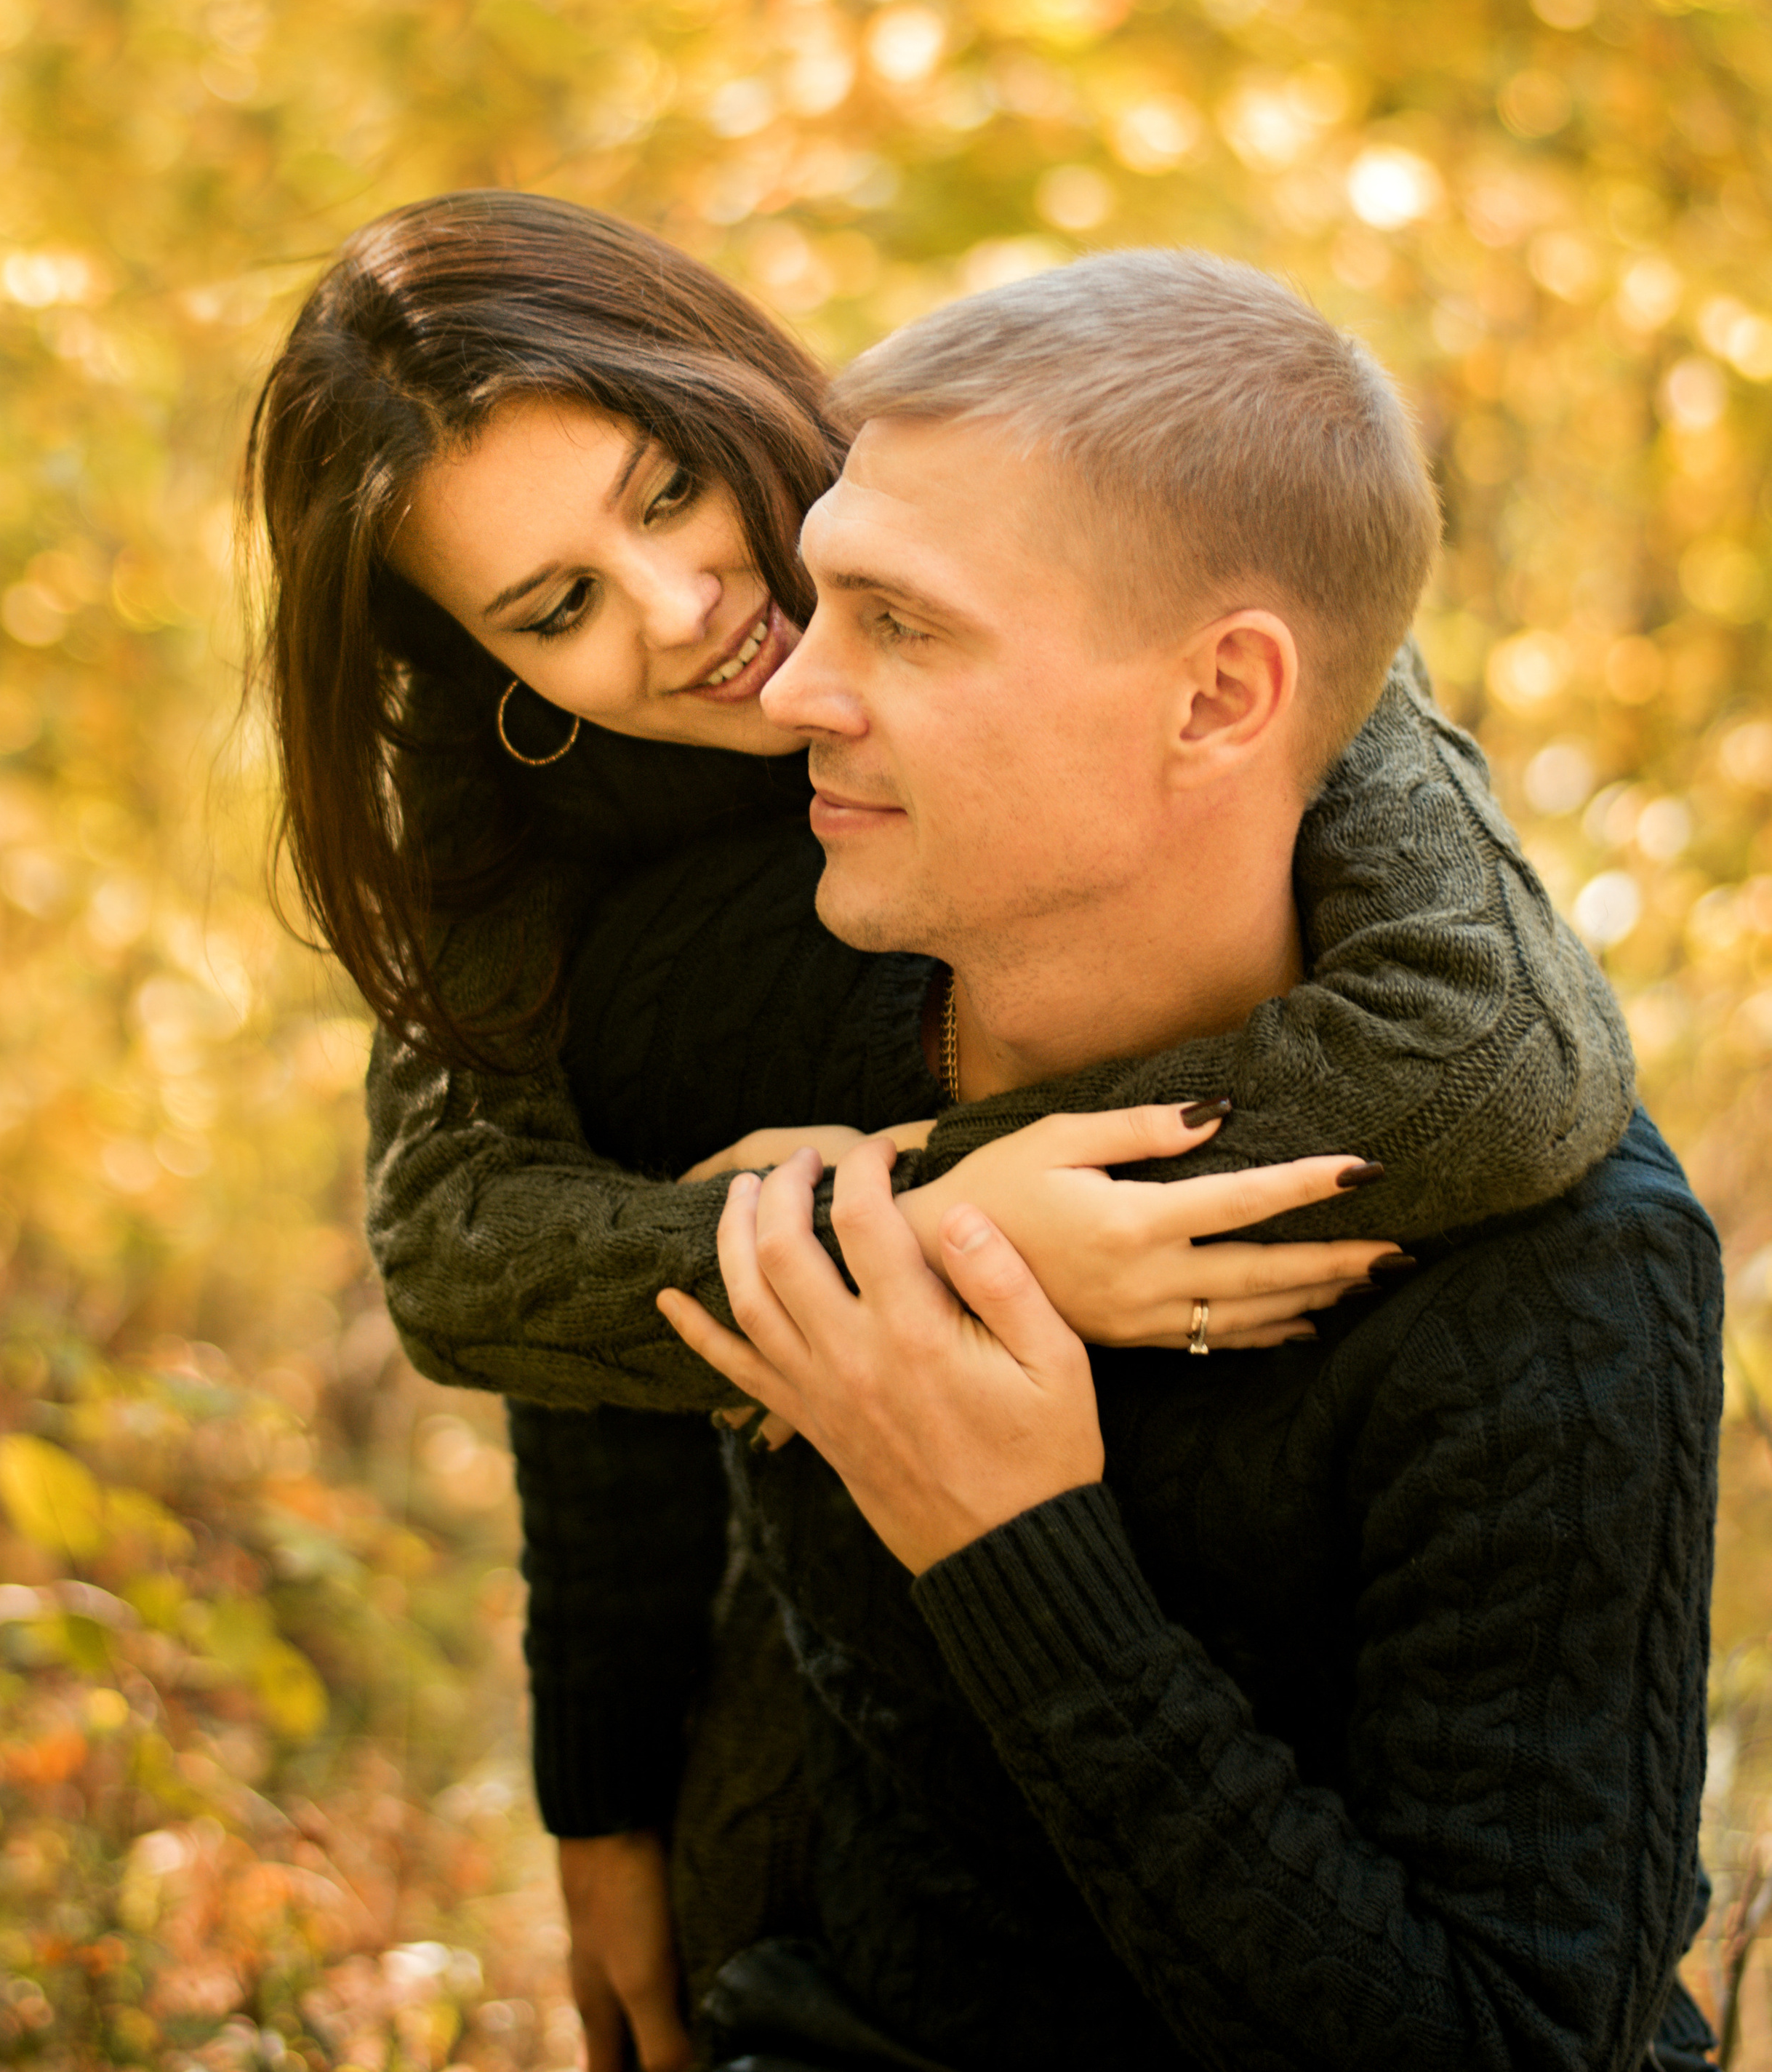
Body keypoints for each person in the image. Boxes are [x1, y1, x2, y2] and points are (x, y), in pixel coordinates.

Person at [245, 196, 1640, 2069]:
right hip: (839, 1799)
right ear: (479, 661)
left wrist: (935, 1210)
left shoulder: (1061, 532)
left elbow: (1494, 1060)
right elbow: (477, 1257)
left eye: (669, 491)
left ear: (730, 385)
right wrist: (605, 1801)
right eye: (554, 607)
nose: (685, 610)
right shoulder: (527, 825)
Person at [586, 252, 1720, 2070]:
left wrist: (1007, 1544)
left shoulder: (1554, 1281)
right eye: (820, 598)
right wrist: (603, 1819)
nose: (791, 686)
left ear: (1216, 698)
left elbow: (1506, 2041)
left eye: (901, 623)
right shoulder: (749, 993)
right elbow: (575, 1346)